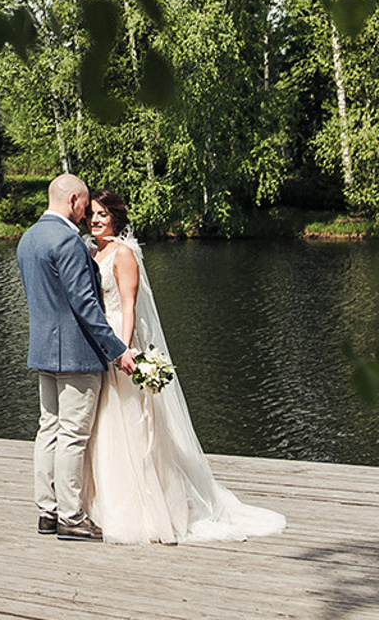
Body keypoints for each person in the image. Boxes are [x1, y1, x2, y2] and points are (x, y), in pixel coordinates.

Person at [80, 189, 288, 544]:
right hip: (98, 341)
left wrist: (124, 349)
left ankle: (149, 506)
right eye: (92, 214)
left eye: (103, 214)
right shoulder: (91, 250)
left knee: (126, 418)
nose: (96, 220)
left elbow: (128, 304)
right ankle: (100, 502)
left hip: (118, 341)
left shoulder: (123, 253)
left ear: (116, 216)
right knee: (103, 420)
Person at [15, 173, 134, 540]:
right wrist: (117, 350)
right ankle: (71, 516)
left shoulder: (28, 238)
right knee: (73, 435)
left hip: (43, 350)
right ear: (73, 200)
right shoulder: (68, 241)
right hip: (77, 353)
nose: (86, 214)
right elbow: (85, 305)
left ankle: (47, 512)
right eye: (84, 205)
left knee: (48, 430)